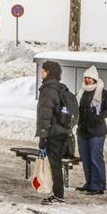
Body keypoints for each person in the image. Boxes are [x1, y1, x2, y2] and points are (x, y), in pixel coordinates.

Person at [36, 60, 72, 205]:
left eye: (43, 70)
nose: (41, 73)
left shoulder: (48, 90)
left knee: (54, 164)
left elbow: (46, 115)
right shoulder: (60, 88)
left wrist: (43, 136)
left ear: (48, 72)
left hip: (53, 133)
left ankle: (58, 195)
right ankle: (58, 194)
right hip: (63, 132)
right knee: (56, 164)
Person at [75, 66, 107, 195]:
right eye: (85, 77)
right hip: (82, 130)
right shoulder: (80, 92)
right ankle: (90, 183)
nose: (87, 80)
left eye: (90, 78)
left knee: (95, 158)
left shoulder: (103, 93)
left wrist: (99, 115)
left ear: (95, 79)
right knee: (85, 158)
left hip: (97, 131)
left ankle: (98, 185)